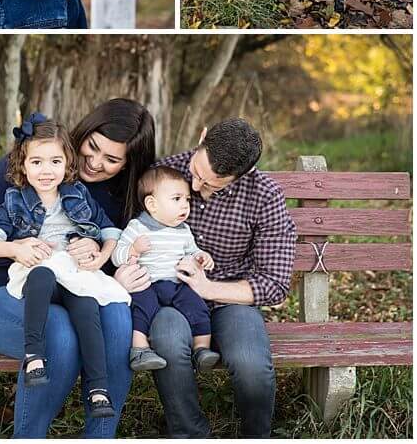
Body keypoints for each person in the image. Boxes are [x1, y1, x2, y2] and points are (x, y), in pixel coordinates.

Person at [0, 99, 153, 439]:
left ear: (128, 164)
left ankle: (99, 434)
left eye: (111, 159)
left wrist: (103, 255)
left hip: (76, 290)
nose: (94, 163)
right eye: (92, 148)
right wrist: (17, 248)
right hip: (1, 293)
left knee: (120, 319)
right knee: (59, 331)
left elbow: (114, 244)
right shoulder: (23, 169)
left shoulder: (116, 193)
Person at [124, 119, 294, 438]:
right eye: (197, 172)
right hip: (168, 295)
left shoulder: (265, 195)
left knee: (251, 365)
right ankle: (189, 433)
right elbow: (131, 233)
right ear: (201, 137)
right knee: (170, 341)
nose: (198, 186)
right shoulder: (164, 174)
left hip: (229, 300)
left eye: (213, 184)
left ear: (242, 176)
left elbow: (274, 283)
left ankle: (256, 435)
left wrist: (207, 287)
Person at [112, 166, 220, 373]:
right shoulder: (137, 227)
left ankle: (201, 349)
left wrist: (200, 257)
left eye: (187, 200)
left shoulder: (184, 230)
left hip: (176, 284)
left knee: (197, 306)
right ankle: (140, 350)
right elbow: (117, 256)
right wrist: (133, 249)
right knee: (142, 308)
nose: (185, 206)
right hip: (147, 283)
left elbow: (192, 251)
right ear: (152, 204)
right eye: (177, 199)